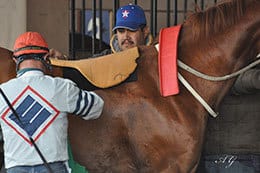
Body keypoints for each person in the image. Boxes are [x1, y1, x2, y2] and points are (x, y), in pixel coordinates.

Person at [0, 32, 104, 173]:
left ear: (15, 59)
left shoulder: (3, 92)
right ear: (46, 58)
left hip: (15, 169)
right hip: (52, 167)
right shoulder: (61, 88)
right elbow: (96, 107)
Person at [62, 4, 153, 90]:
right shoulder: (106, 57)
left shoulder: (156, 58)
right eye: (121, 31)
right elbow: (82, 69)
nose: (126, 36)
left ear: (145, 31)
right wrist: (62, 61)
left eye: (131, 30)